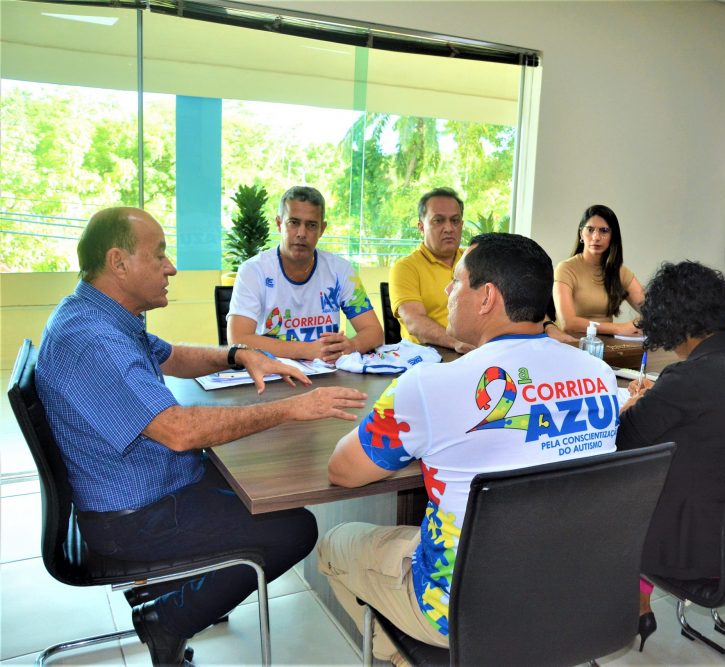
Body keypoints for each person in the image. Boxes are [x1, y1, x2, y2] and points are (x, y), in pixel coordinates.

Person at [35, 207, 368, 666]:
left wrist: (238, 355)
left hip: (146, 484)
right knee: (294, 530)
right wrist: (290, 409)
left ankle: (171, 592)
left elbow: (172, 356)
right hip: (133, 517)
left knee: (261, 483)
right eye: (160, 255)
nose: (171, 267)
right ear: (118, 263)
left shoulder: (100, 314)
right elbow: (178, 431)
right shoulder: (92, 339)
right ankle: (167, 618)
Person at [317, 233, 620, 663]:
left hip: (465, 609)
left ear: (486, 298)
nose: (448, 291)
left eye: (457, 282)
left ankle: (404, 658)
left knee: (334, 543)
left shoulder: (430, 385)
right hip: (569, 594)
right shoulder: (599, 374)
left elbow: (343, 470)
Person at [616, 261, 725, 650]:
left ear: (676, 323)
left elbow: (625, 440)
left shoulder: (686, 379)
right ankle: (638, 604)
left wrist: (632, 405)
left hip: (689, 549)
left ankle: (616, 611)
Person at [228, 185, 384, 363]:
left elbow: (374, 332)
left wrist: (351, 346)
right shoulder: (253, 270)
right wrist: (307, 350)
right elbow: (238, 339)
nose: (302, 233)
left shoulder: (341, 270)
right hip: (270, 373)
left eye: (311, 225)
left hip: (327, 372)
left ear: (322, 229)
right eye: (293, 222)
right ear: (279, 224)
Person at [388, 187, 474, 353]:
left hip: (473, 353)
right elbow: (414, 321)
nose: (449, 228)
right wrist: (456, 343)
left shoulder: (475, 261)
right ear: (421, 226)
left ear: (462, 225)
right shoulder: (405, 268)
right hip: (427, 358)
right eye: (438, 220)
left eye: (455, 220)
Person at [553, 204, 644, 335]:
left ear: (612, 236)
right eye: (590, 230)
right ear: (581, 234)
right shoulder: (565, 269)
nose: (596, 237)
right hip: (571, 343)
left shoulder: (620, 272)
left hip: (608, 343)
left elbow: (652, 310)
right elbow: (568, 324)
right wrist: (619, 328)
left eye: (604, 231)